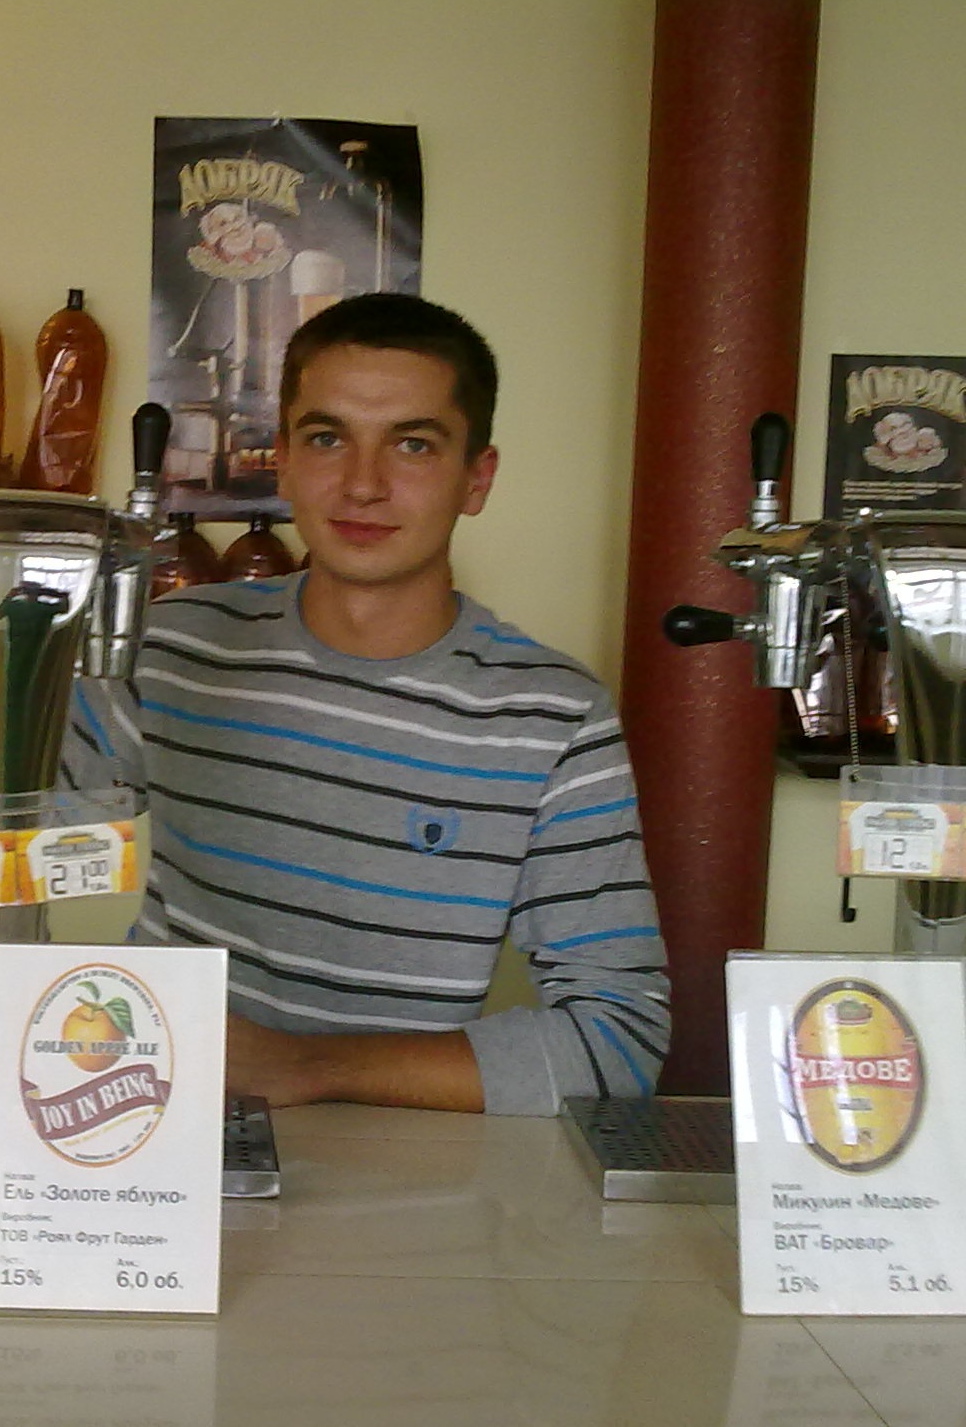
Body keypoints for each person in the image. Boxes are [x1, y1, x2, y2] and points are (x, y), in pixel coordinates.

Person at [64, 294, 668, 1115]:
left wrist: (305, 1067)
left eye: (413, 444)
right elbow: (11, 845)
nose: (362, 484)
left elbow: (620, 1039)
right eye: (327, 438)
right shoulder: (169, 647)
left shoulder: (553, 716)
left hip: (399, 1165)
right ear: (282, 460)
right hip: (148, 1120)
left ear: (477, 478)